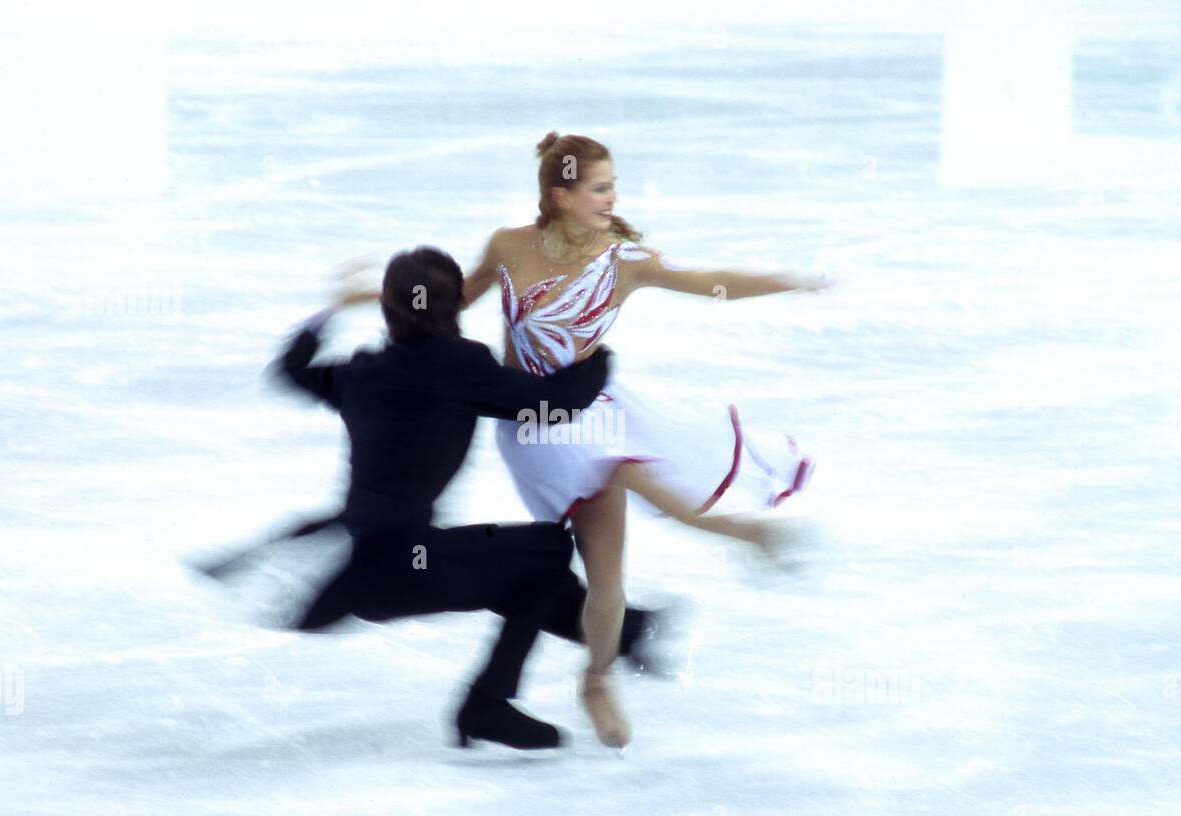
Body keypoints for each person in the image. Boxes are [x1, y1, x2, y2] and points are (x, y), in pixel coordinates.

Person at [451, 131, 830, 748]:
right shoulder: (507, 247)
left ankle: (596, 679)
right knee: (617, 477)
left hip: (596, 413)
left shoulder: (623, 261)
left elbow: (712, 281)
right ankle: (743, 534)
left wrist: (786, 280)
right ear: (561, 194)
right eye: (600, 187)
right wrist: (398, 311)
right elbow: (450, 305)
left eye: (612, 186)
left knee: (607, 578)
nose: (612, 198)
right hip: (532, 426)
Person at [266, 245, 667, 751]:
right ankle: (489, 704)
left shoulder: (362, 372)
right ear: (457, 307)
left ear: (386, 308)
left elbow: (290, 370)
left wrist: (335, 307)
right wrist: (595, 355)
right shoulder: (459, 366)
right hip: (406, 567)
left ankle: (624, 633)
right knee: (545, 554)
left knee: (515, 572)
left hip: (366, 567)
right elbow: (557, 405)